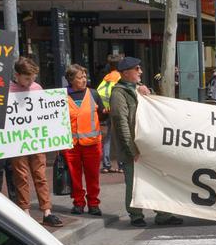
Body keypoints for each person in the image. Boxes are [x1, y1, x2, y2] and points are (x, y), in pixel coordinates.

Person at [112, 56, 183, 228]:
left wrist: (148, 95)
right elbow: (121, 123)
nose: (141, 71)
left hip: (148, 145)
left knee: (157, 179)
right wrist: (131, 150)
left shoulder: (139, 89)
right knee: (134, 182)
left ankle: (163, 214)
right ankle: (136, 215)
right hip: (133, 148)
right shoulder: (118, 94)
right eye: (137, 69)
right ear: (126, 73)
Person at [8, 57, 63, 228]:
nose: (31, 82)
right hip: (17, 140)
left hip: (36, 138)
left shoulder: (37, 88)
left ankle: (47, 210)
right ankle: (25, 210)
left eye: (33, 78)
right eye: (27, 78)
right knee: (21, 175)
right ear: (17, 75)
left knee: (40, 175)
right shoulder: (7, 90)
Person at [64, 64, 107, 216]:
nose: (84, 80)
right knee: (74, 176)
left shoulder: (93, 94)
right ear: (70, 79)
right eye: (80, 77)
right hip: (71, 145)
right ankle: (78, 203)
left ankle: (94, 204)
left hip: (92, 143)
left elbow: (102, 115)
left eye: (84, 77)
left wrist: (106, 112)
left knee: (92, 175)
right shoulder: (61, 97)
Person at [97, 54, 123, 173]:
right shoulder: (119, 77)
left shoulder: (106, 77)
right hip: (116, 110)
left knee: (108, 138)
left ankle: (106, 165)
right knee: (120, 138)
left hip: (107, 110)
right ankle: (121, 165)